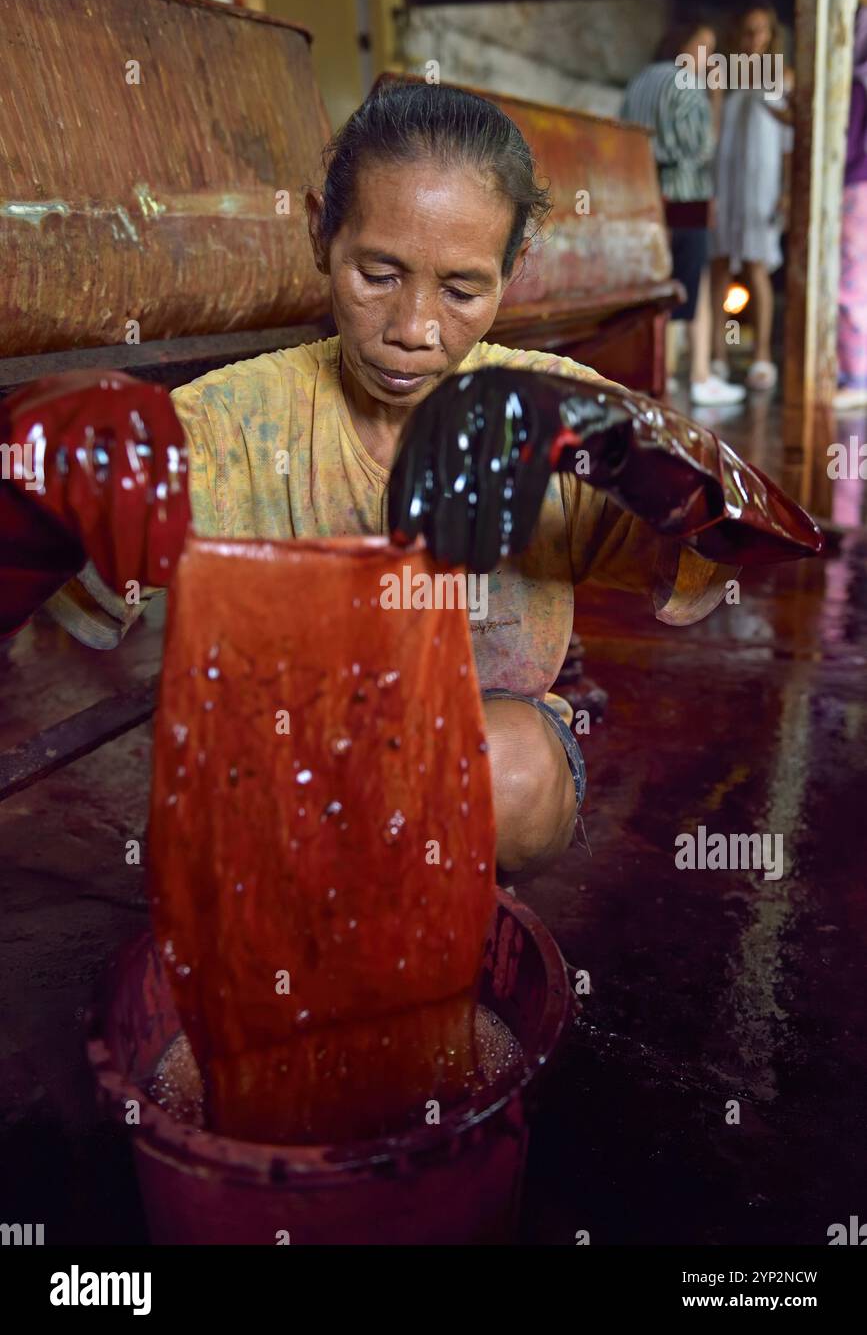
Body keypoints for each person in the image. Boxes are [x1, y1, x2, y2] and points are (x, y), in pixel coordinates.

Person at [1, 82, 788, 873]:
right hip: (284, 753)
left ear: (514, 268)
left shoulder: (554, 407)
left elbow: (739, 546)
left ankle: (424, 907)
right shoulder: (229, 422)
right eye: (377, 274)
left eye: (460, 289)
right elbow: (65, 608)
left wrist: (642, 459)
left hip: (482, 734)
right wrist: (31, 493)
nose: (413, 330)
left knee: (509, 780)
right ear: (320, 234)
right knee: (226, 839)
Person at [621, 20, 745, 409]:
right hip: (685, 196)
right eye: (704, 46)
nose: (709, 59)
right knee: (694, 283)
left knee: (654, 283)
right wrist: (718, 99)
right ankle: (701, 378)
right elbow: (704, 146)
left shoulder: (640, 81)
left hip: (642, 195)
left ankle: (659, 374)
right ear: (681, 43)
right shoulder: (688, 85)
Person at [710, 3, 793, 392]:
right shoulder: (727, 82)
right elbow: (713, 136)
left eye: (762, 31)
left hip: (763, 186)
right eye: (748, 31)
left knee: (757, 268)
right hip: (727, 184)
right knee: (721, 267)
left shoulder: (782, 81)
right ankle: (717, 356)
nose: (754, 38)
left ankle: (761, 357)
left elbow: (790, 145)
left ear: (772, 36)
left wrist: (789, 193)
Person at [835, 0, 867, 412]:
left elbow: (845, 143)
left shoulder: (858, 83)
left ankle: (855, 375)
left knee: (849, 281)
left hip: (855, 184)